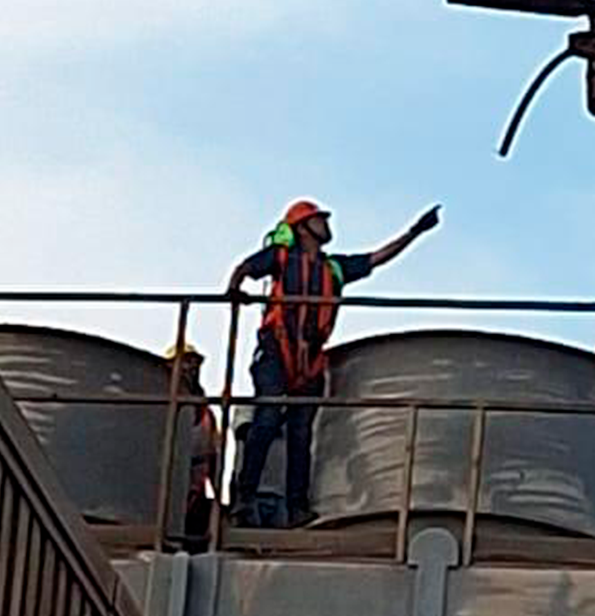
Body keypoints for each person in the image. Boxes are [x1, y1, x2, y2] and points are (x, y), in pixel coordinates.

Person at [227, 198, 441, 527]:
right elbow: (244, 268)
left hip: (310, 360)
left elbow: (376, 258)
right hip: (276, 352)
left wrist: (414, 232)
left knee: (301, 435)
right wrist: (233, 290)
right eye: (319, 219)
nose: (326, 224)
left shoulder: (334, 269)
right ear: (302, 227)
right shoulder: (282, 258)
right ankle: (245, 498)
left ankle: (298, 507)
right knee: (267, 419)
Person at [162, 343, 219, 545]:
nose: (191, 368)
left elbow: (213, 455)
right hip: (164, 496)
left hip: (194, 497)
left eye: (194, 362)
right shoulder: (160, 406)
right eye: (185, 362)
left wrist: (219, 496)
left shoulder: (206, 414)